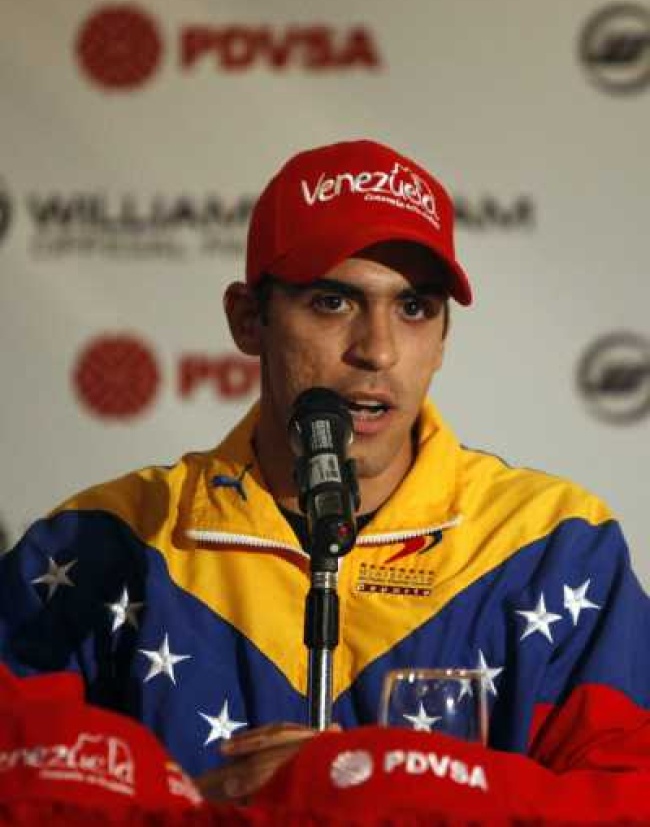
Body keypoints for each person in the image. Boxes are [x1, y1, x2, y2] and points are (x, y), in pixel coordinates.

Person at [1, 140, 649, 810]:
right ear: (248, 320)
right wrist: (197, 805)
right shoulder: (105, 541)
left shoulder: (551, 547)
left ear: (442, 339)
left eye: (414, 307)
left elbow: (630, 798)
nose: (378, 350)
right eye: (333, 302)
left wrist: (371, 775)